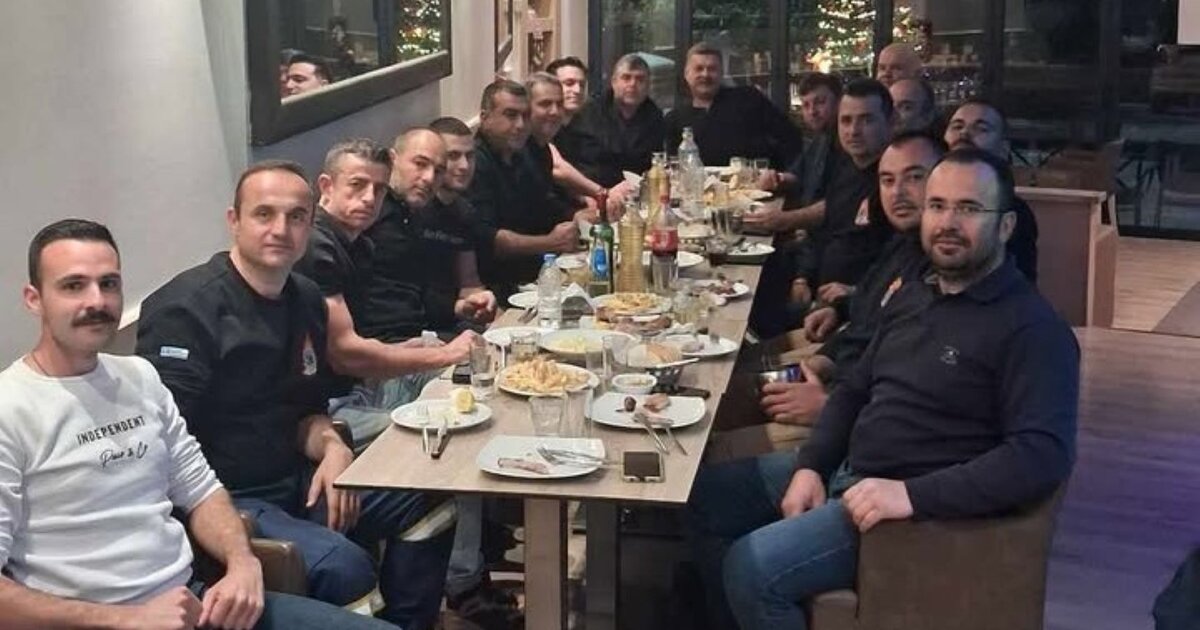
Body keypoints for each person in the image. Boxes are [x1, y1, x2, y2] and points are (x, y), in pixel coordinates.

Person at [687, 148, 1080, 630]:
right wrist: (812, 465)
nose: (947, 222)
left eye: (969, 208)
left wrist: (911, 495)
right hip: (851, 468)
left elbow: (1041, 456)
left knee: (752, 569)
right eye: (937, 206)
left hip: (902, 509)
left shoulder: (1032, 329)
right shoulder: (917, 293)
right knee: (702, 498)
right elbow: (854, 389)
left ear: (1005, 226)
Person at [0, 218, 391, 630]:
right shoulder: (11, 406)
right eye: (73, 286)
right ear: (34, 299)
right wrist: (129, 619)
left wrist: (242, 563)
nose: (96, 301)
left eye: (109, 284)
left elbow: (202, 491)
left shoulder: (140, 378)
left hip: (195, 605)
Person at [136, 161, 455, 629]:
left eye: (296, 217)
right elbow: (164, 450)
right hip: (230, 499)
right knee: (345, 568)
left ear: (310, 224)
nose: (280, 229)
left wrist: (333, 449)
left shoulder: (305, 298)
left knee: (427, 501)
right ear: (234, 221)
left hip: (297, 480)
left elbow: (309, 408)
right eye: (264, 214)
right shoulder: (186, 309)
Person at [293, 138, 481, 445]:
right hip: (321, 409)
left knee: (473, 385)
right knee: (436, 427)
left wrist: (407, 349)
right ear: (326, 186)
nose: (369, 198)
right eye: (357, 185)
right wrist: (443, 353)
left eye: (379, 189)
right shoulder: (317, 246)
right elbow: (345, 354)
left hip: (357, 387)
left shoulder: (360, 245)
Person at [761, 131, 947, 426]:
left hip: (852, 420)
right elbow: (867, 322)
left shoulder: (945, 271)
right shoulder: (905, 241)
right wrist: (837, 321)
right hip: (839, 375)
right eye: (887, 180)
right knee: (729, 388)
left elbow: (916, 397)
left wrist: (830, 406)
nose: (897, 192)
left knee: (720, 423)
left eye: (914, 177)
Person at [427, 117, 526, 630]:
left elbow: (467, 282)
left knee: (520, 366)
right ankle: (463, 579)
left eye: (468, 155)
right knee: (475, 413)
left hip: (452, 332)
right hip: (420, 346)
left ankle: (488, 531)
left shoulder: (461, 212)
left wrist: (483, 302)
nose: (462, 166)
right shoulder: (404, 215)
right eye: (450, 157)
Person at [467, 80, 581, 300]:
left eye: (525, 116)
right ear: (484, 118)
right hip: (497, 287)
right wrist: (550, 243)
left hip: (536, 275)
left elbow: (545, 203)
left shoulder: (523, 154)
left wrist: (576, 217)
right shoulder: (474, 164)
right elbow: (490, 240)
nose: (520, 125)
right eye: (510, 115)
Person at [665, 42, 803, 169]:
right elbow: (674, 167)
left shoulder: (749, 99)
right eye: (699, 69)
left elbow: (791, 138)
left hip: (753, 185)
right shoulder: (675, 120)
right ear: (687, 74)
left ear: (721, 74)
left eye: (712, 69)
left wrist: (783, 176)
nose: (705, 74)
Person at [944, 98, 1039, 282]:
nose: (964, 133)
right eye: (957, 126)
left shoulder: (1015, 212)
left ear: (1004, 149)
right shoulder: (921, 199)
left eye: (981, 129)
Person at [555, 53, 665, 189]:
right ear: (614, 82)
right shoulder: (589, 112)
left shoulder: (655, 117)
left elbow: (656, 165)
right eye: (626, 78)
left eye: (640, 79)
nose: (633, 84)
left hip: (638, 192)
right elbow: (572, 164)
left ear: (648, 85)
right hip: (590, 191)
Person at [760, 72, 843, 209]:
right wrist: (777, 179)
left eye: (820, 102)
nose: (812, 112)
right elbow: (797, 174)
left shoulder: (846, 142)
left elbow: (838, 204)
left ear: (839, 102)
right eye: (806, 105)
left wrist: (783, 219)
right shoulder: (820, 138)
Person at [546, 56, 590, 122]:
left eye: (582, 85)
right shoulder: (536, 125)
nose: (578, 90)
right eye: (569, 83)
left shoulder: (594, 124)